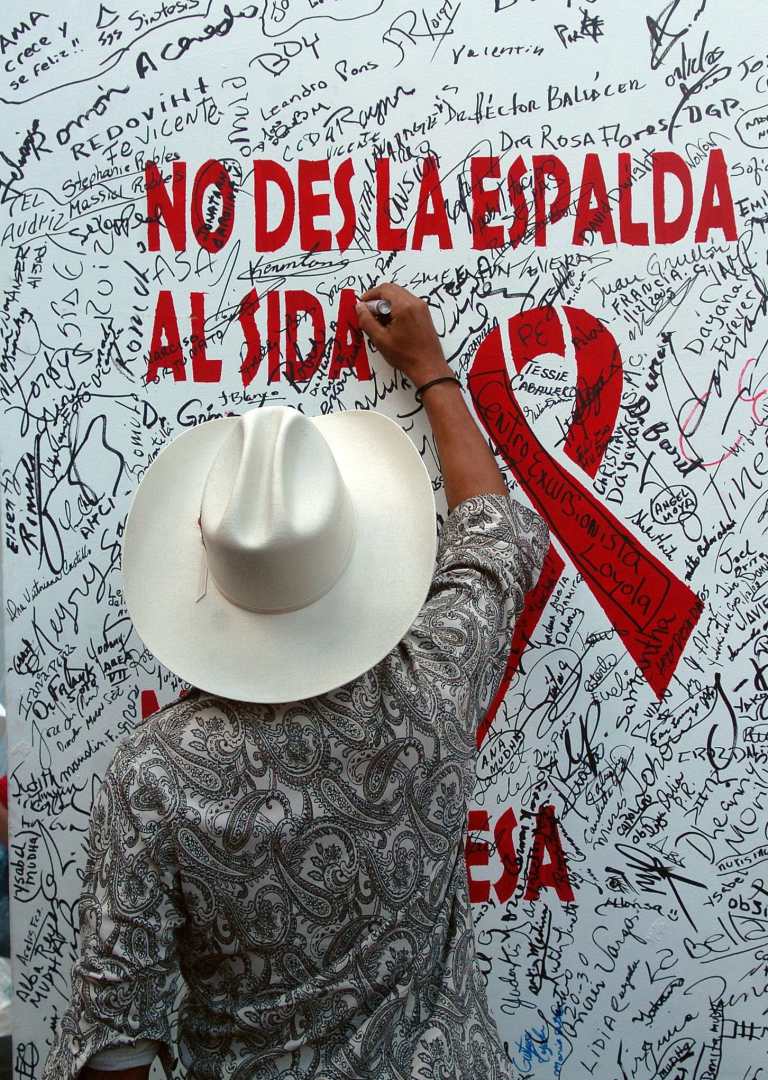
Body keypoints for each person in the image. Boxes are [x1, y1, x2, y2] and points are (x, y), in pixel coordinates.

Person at [44, 284, 549, 1080]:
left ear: (203, 546)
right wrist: (431, 369)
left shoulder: (153, 778)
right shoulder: (434, 685)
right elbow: (496, 541)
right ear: (357, 539)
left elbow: (114, 1042)